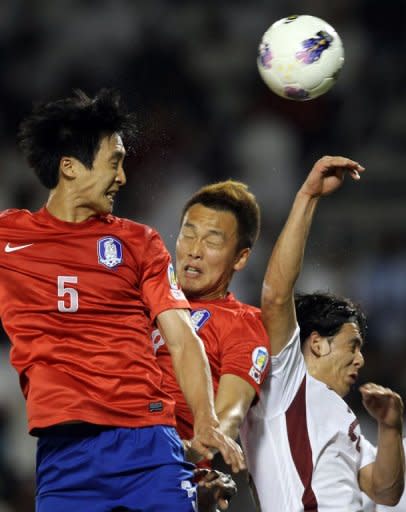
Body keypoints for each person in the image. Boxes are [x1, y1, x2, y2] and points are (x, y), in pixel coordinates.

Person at [1, 88, 244, 512]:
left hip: (147, 443)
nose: (123, 176)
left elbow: (183, 338)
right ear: (70, 167)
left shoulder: (139, 243)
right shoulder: (9, 238)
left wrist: (204, 418)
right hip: (64, 456)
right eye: (114, 161)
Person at [240, 156, 405, 511]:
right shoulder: (283, 384)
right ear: (316, 343)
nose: (361, 357)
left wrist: (391, 428)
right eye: (352, 345)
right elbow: (276, 295)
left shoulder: (341, 418)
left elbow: (386, 491)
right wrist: (308, 196)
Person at [154, 181, 270, 507]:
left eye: (212, 241)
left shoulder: (242, 324)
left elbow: (229, 415)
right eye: (188, 234)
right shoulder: (144, 304)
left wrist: (189, 450)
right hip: (104, 463)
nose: (194, 249)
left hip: (170, 475)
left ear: (240, 258)